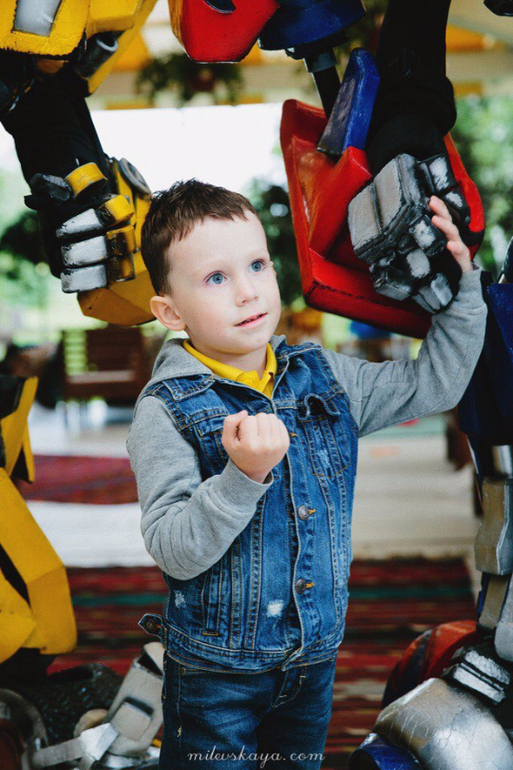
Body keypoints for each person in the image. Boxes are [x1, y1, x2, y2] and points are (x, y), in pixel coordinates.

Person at [127, 179, 487, 770]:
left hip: (313, 659)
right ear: (170, 312)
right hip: (217, 674)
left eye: (256, 265)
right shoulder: (165, 410)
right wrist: (242, 477)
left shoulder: (324, 376)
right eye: (216, 278)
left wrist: (462, 283)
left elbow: (435, 382)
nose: (247, 291)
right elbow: (173, 549)